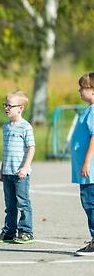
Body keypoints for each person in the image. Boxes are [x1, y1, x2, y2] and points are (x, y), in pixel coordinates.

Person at [0, 91, 36, 244]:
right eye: (5, 105)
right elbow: (6, 151)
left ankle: (26, 231)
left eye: (10, 106)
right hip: (8, 172)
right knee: (9, 205)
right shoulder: (6, 127)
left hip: (20, 173)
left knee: (22, 203)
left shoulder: (26, 127)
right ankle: (9, 231)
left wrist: (25, 167)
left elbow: (31, 148)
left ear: (20, 108)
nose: (6, 108)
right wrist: (2, 169)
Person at [71, 73, 94, 256]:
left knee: (90, 203)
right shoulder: (88, 109)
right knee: (88, 203)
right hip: (86, 171)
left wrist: (87, 162)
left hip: (91, 171)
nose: (79, 90)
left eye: (83, 88)